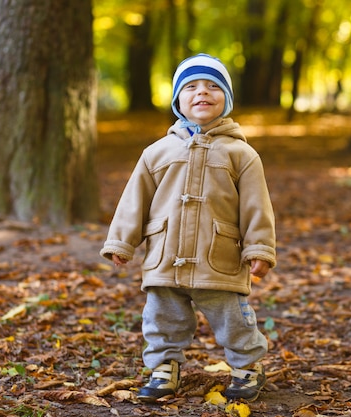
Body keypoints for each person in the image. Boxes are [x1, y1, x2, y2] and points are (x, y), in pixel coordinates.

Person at [100, 53, 277, 403]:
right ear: (177, 100)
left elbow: (257, 205)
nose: (202, 92)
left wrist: (259, 248)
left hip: (219, 257)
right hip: (165, 257)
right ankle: (164, 367)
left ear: (226, 98)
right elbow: (135, 198)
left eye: (213, 86)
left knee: (234, 320)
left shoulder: (241, 154)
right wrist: (122, 241)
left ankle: (246, 367)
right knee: (161, 320)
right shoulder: (157, 152)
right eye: (191, 86)